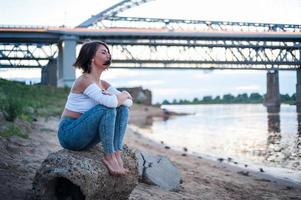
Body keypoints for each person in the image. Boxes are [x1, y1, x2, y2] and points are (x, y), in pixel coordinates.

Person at [57, 40, 133, 176]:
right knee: (107, 108)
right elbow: (111, 103)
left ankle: (116, 153)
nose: (108, 55)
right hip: (69, 134)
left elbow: (128, 104)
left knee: (122, 109)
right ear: (92, 58)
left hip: (87, 137)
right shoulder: (84, 80)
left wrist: (119, 98)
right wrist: (124, 94)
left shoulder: (103, 83)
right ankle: (109, 157)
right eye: (103, 52)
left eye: (108, 52)